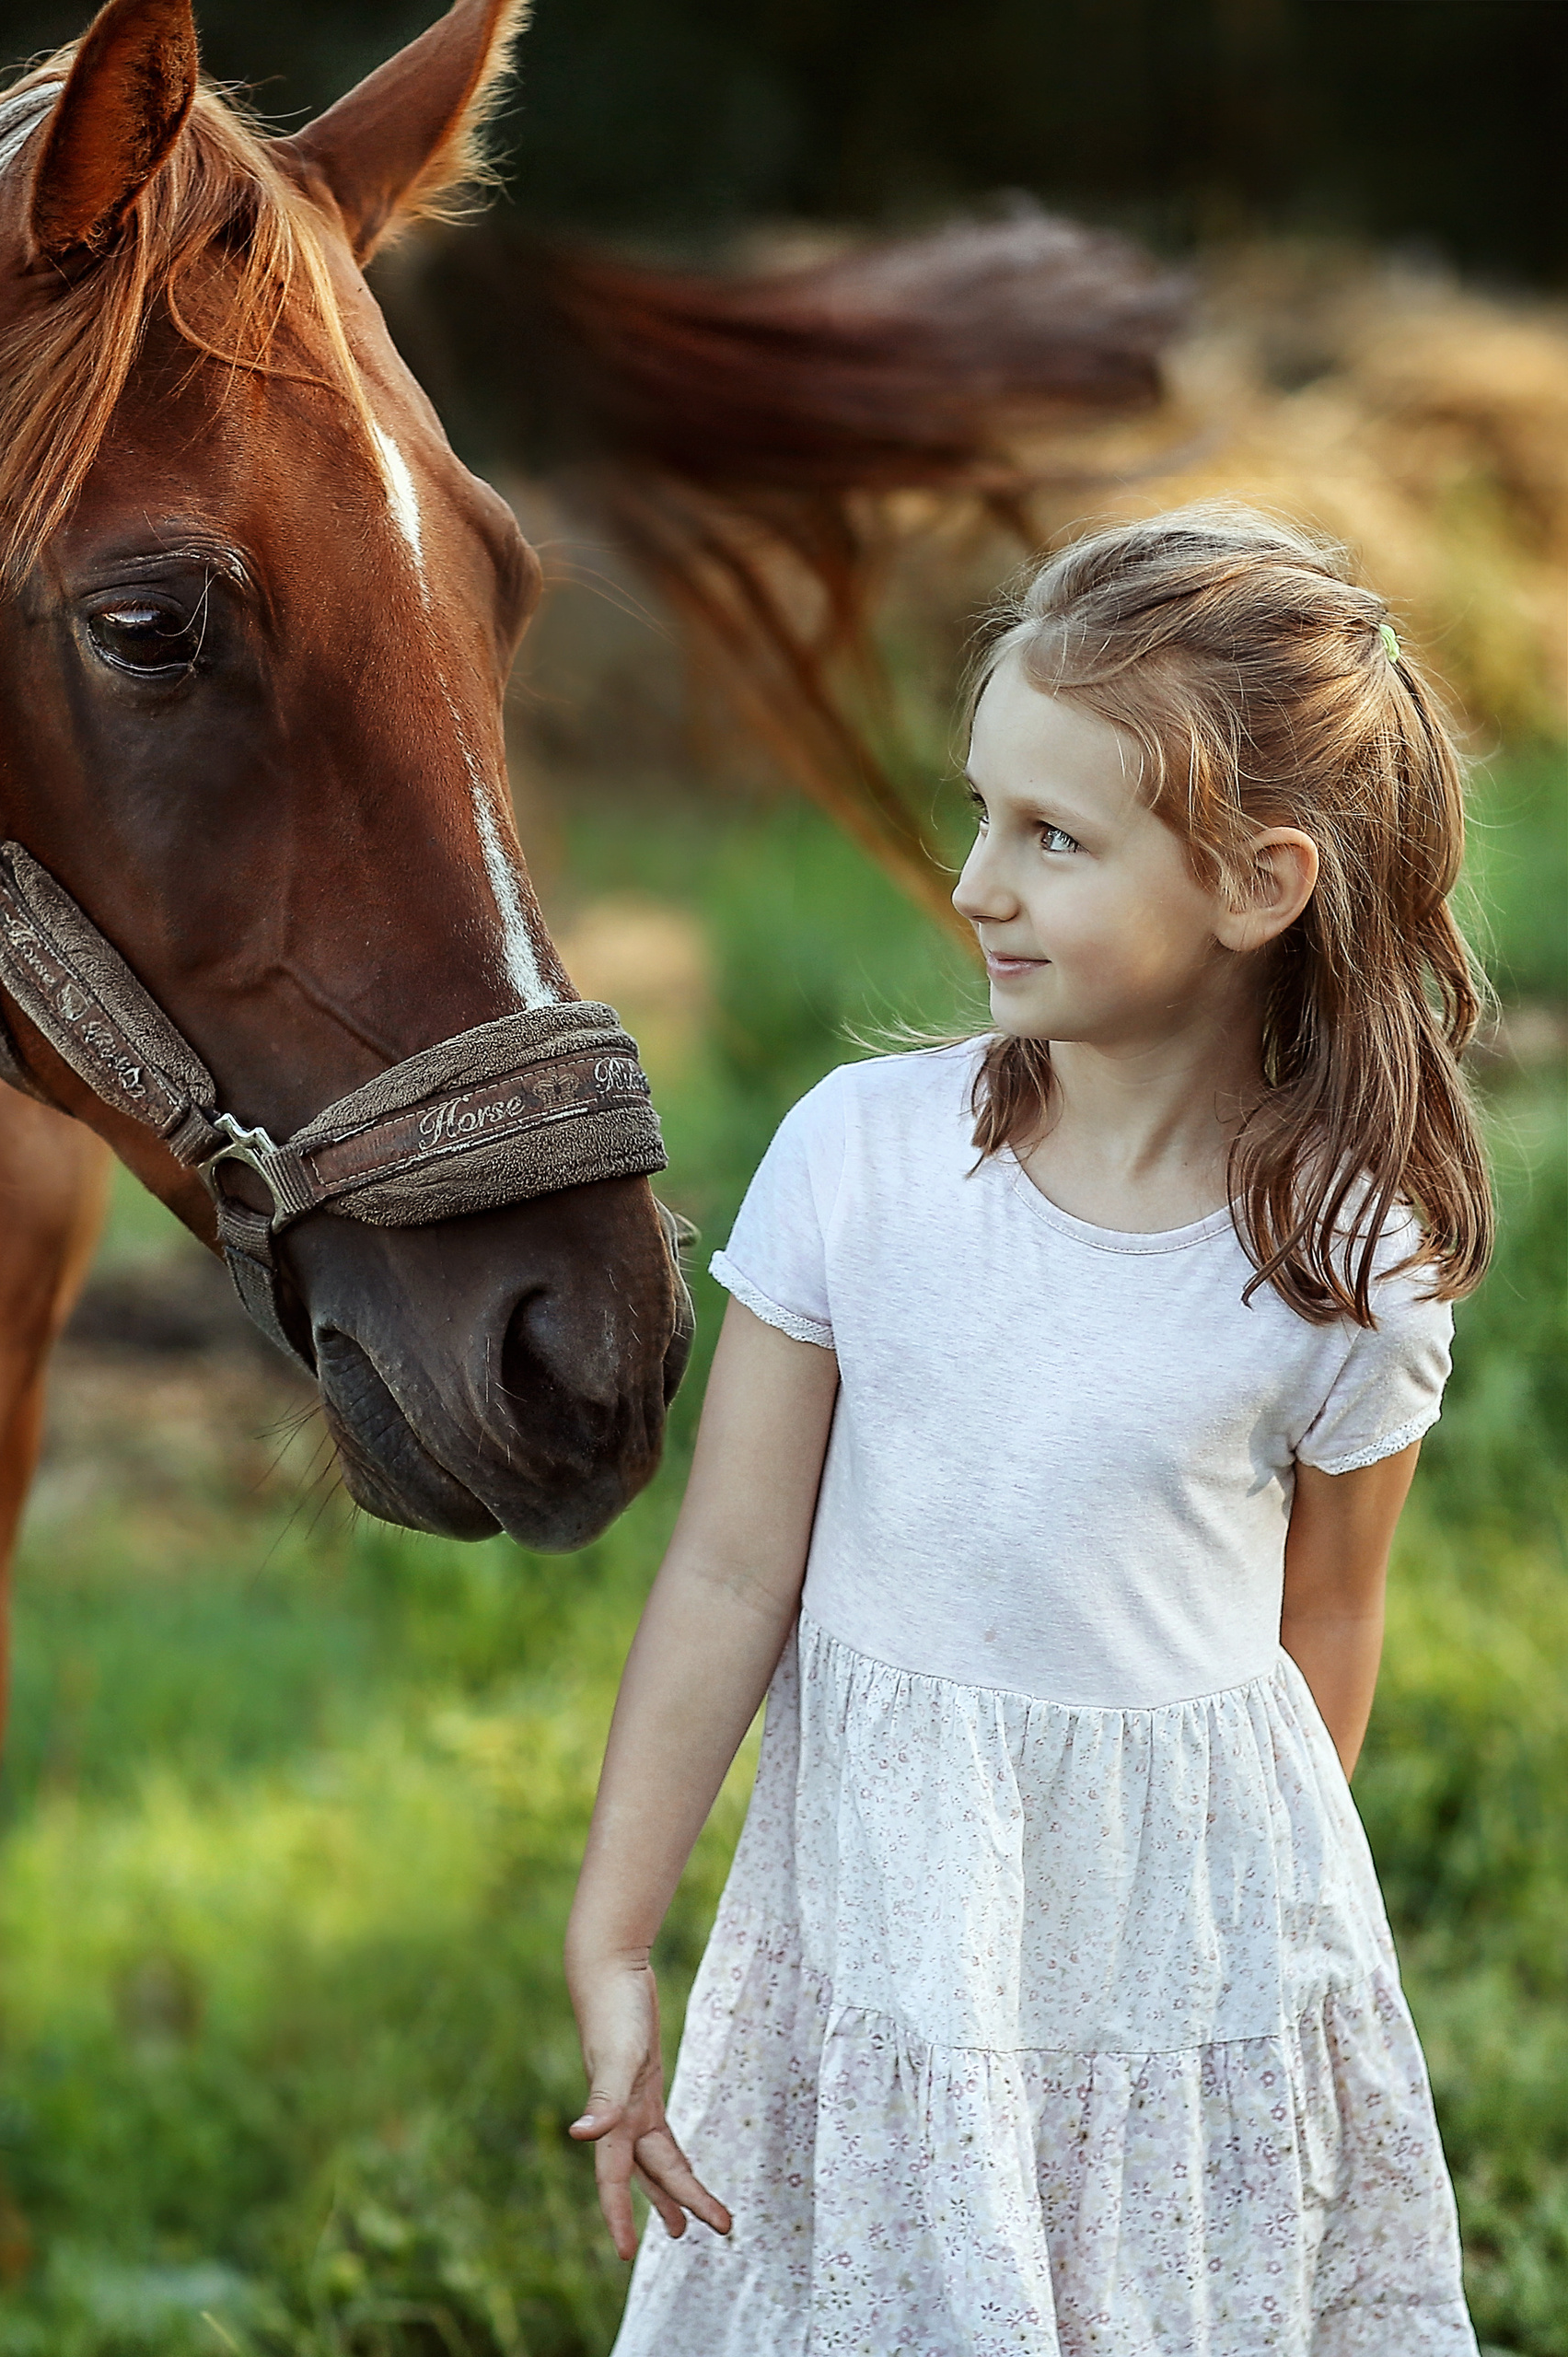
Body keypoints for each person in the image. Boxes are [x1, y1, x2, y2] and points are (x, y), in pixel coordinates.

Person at [566, 504, 1493, 2355]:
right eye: (980, 809)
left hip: (1178, 1971)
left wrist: (1259, 1970)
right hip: (892, 1926)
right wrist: (613, 1929)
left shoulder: (1344, 1264)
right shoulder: (863, 1160)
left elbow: (1324, 1625)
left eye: (1050, 837)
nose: (973, 882)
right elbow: (733, 1563)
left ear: (1256, 882)